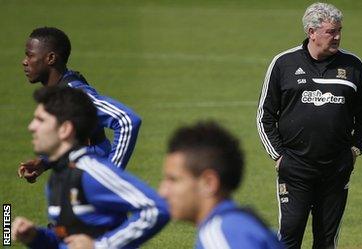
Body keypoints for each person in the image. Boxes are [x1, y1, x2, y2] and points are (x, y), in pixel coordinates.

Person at [256, 2, 362, 248]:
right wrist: (279, 156)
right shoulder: (283, 63)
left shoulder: (352, 66)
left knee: (327, 240)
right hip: (295, 168)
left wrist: (354, 150)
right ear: (312, 32)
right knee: (289, 236)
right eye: (331, 31)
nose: (338, 36)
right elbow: (265, 116)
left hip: (336, 169)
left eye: (340, 30)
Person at [11, 87, 169, 248]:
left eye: (41, 120)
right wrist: (36, 237)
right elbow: (66, 240)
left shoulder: (90, 172)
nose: (31, 126)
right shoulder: (57, 177)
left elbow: (155, 209)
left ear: (65, 129)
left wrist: (101, 246)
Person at [18, 26, 141, 183]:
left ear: (50, 58)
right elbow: (74, 139)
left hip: (92, 174)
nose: (24, 62)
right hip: (74, 172)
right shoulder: (56, 92)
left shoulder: (75, 94)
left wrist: (111, 174)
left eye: (30, 56)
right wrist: (44, 162)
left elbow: (128, 120)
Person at [159, 121, 283, 249]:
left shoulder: (220, 235)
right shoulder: (245, 223)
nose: (163, 192)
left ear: (208, 183)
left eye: (173, 180)